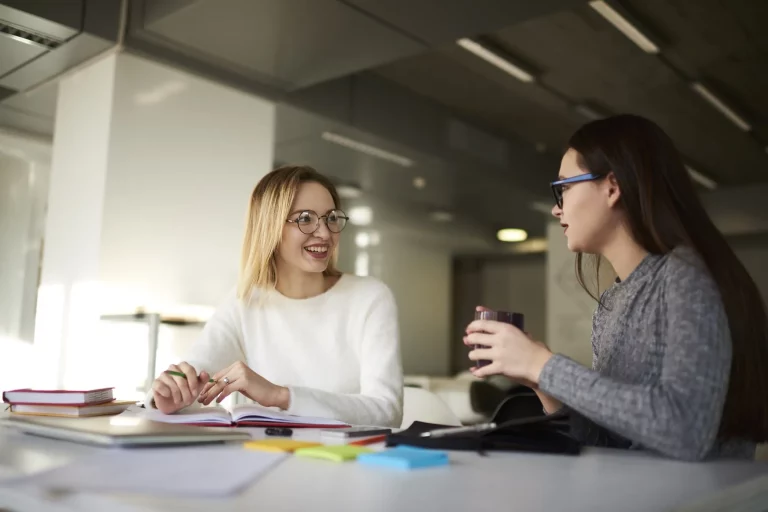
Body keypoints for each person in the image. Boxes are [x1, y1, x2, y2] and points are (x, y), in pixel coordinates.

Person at [465, 114, 768, 461]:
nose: (555, 208)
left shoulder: (685, 275)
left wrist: (543, 365)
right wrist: (540, 382)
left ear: (611, 187)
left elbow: (686, 430)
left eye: (564, 188)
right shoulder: (611, 301)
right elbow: (607, 441)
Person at [146, 165, 403, 428]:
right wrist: (170, 395)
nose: (325, 233)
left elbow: (387, 410)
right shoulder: (245, 301)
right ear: (269, 227)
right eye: (305, 219)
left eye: (331, 218)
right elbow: (197, 371)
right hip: (267, 456)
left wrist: (280, 395)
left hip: (349, 461)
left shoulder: (370, 297)